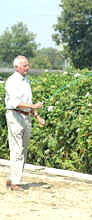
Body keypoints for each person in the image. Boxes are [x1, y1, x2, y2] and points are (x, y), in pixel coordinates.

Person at [5, 55, 45, 191]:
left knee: (24, 150)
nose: (28, 68)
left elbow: (28, 101)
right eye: (25, 66)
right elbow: (15, 103)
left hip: (26, 117)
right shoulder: (11, 81)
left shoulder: (26, 80)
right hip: (15, 116)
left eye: (27, 65)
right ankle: (15, 183)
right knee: (17, 149)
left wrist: (37, 116)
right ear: (17, 67)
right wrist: (34, 106)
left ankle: (12, 179)